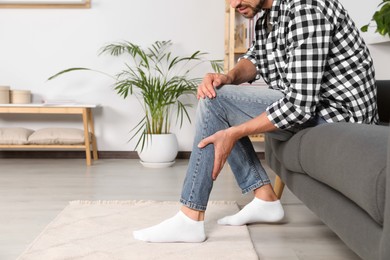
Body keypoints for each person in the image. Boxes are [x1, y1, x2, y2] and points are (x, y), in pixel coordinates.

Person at [133, 0, 378, 243]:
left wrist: (235, 133)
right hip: (314, 109)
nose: (234, 4)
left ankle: (190, 217)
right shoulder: (268, 17)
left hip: (339, 119)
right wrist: (226, 77)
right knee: (216, 94)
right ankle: (264, 199)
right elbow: (254, 60)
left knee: (215, 102)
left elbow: (300, 106)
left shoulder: (306, 8)